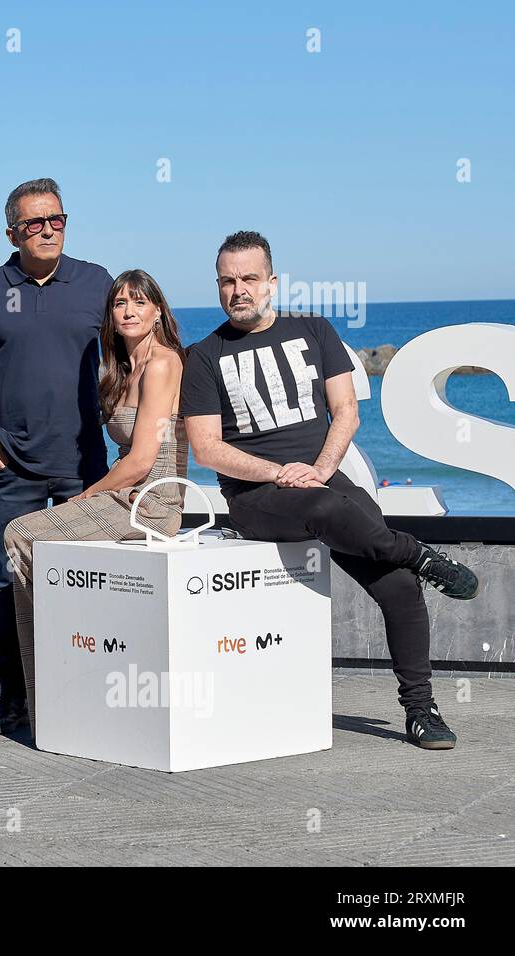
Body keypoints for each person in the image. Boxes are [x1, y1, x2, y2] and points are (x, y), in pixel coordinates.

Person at [181, 230, 479, 751]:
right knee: (328, 508)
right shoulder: (203, 356)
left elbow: (346, 412)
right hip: (256, 496)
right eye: (227, 281)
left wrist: (317, 468)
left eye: (249, 278)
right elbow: (206, 448)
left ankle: (420, 710)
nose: (238, 290)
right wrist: (279, 474)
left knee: (397, 588)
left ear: (272, 283)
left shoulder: (315, 330)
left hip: (321, 479)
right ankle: (419, 554)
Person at [0, 178, 113, 735]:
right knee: (9, 582)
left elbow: (132, 353)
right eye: (35, 223)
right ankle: (15, 698)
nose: (47, 230)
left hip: (84, 462)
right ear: (12, 232)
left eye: (56, 220)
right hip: (13, 464)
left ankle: (83, 694)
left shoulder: (97, 283)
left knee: (88, 580)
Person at [3, 270, 188, 732]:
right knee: (29, 549)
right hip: (127, 494)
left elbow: (143, 459)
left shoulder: (163, 364)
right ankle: (45, 698)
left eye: (140, 303)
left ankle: (59, 665)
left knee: (21, 532)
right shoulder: (123, 369)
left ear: (158, 312)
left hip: (153, 504)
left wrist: (85, 497)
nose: (128, 311)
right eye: (120, 303)